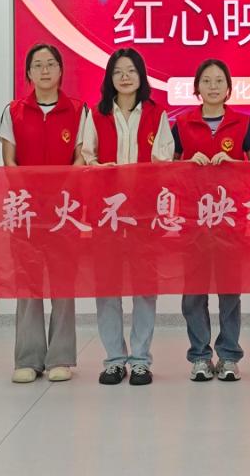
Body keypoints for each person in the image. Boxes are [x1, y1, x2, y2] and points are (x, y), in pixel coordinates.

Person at [81, 48, 174, 386]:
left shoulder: (156, 114)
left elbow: (164, 160)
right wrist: (97, 168)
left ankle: (140, 359)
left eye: (131, 71)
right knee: (107, 287)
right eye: (118, 71)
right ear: (110, 77)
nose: (124, 77)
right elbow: (86, 157)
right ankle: (114, 359)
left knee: (144, 288)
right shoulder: (97, 114)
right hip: (107, 214)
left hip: (144, 214)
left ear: (141, 76)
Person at [0, 43, 84, 383]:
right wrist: (29, 193)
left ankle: (60, 357)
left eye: (51, 64)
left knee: (63, 286)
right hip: (26, 211)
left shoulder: (78, 110)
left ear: (61, 70)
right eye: (38, 65)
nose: (45, 70)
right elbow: (9, 160)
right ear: (28, 73)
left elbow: (80, 157)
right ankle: (28, 358)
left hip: (64, 211)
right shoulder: (13, 111)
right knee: (28, 285)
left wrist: (60, 192)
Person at [172, 59, 250, 382]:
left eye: (219, 81)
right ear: (197, 88)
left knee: (229, 292)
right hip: (193, 218)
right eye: (207, 81)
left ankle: (228, 357)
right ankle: (199, 356)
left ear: (228, 88)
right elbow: (166, 167)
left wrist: (236, 164)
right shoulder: (182, 124)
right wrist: (186, 164)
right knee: (193, 293)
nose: (213, 86)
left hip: (230, 218)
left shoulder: (242, 123)